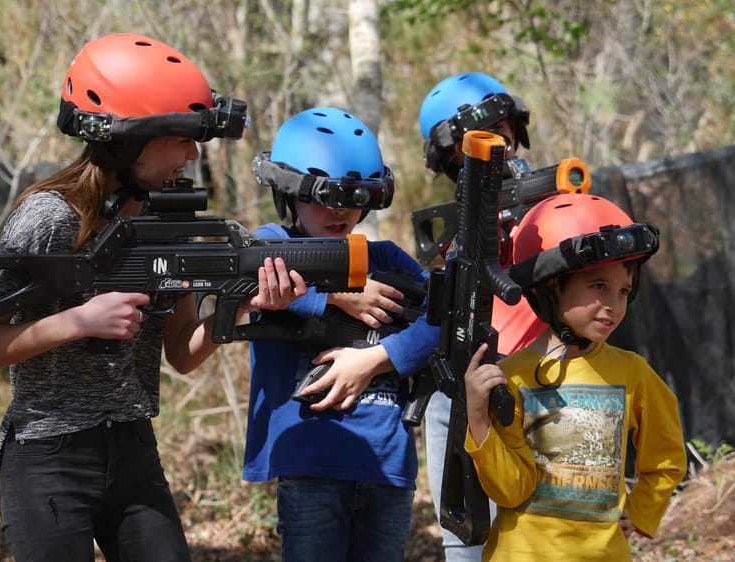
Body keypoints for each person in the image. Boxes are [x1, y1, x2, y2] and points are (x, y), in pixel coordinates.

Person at [0, 33, 306, 562]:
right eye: (180, 137)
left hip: (134, 447)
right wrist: (78, 321)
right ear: (123, 139)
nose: (192, 153)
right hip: (47, 452)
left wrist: (243, 304)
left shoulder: (167, 219)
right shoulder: (49, 217)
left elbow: (181, 353)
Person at [244, 106, 435, 562]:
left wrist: (377, 359)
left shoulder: (387, 258)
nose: (341, 210)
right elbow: (248, 276)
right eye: (324, 196)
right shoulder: (269, 243)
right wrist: (337, 296)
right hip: (309, 460)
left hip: (386, 462)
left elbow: (444, 319)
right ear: (289, 192)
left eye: (354, 197)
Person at [463, 193, 687, 561]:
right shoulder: (510, 377)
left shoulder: (634, 373)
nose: (613, 304)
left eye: (624, 291)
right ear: (551, 287)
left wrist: (644, 508)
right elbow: (512, 491)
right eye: (598, 286)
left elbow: (666, 456)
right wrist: (477, 419)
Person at [417, 71, 545, 560]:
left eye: (501, 132)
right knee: (468, 537)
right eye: (465, 147)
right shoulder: (453, 232)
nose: (499, 148)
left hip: (541, 387)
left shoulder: (553, 204)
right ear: (449, 159)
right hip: (463, 388)